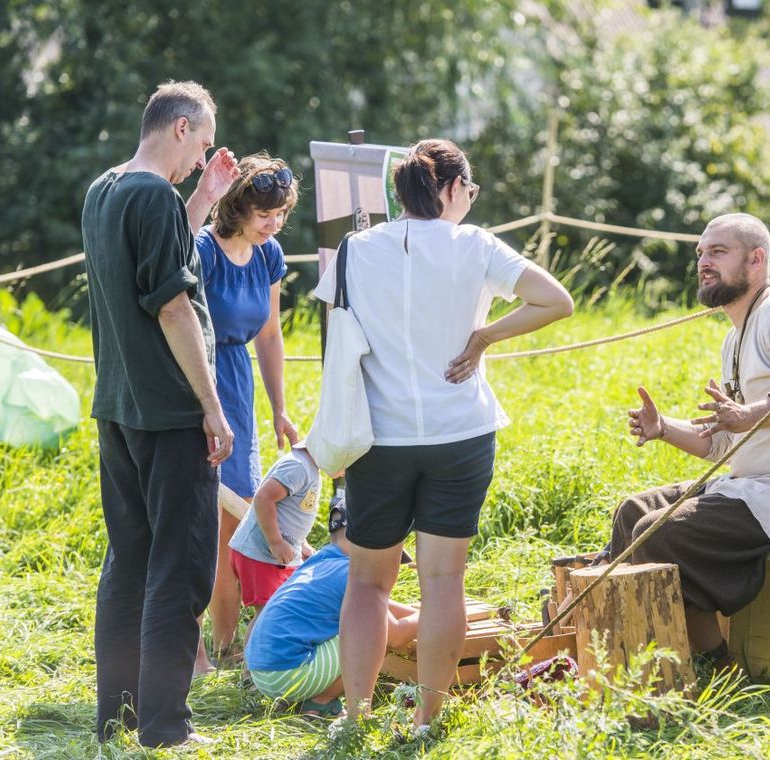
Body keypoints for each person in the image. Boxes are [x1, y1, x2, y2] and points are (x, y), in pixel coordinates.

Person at [312, 138, 574, 727]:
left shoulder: (354, 249)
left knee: (369, 582)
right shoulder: (476, 245)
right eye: (471, 190)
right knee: (443, 579)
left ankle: (354, 716)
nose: (471, 200)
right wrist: (484, 337)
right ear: (452, 189)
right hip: (461, 432)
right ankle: (427, 718)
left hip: (377, 437)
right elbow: (556, 301)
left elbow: (337, 336)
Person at [609, 212, 770, 662]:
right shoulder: (735, 337)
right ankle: (638, 652)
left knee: (656, 531)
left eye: (719, 251)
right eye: (701, 252)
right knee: (634, 512)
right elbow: (723, 443)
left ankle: (714, 663)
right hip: (751, 489)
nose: (704, 261)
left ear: (756, 259)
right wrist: (664, 428)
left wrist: (752, 413)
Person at [80, 80, 240, 748]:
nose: (200, 162)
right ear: (180, 128)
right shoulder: (153, 195)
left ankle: (116, 716)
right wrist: (212, 407)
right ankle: (166, 728)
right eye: (200, 147)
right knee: (180, 570)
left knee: (131, 563)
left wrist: (201, 203)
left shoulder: (108, 189)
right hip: (171, 413)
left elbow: (159, 264)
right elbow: (173, 306)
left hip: (120, 409)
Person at [192, 154, 301, 668]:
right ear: (239, 207)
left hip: (239, 388)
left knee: (236, 526)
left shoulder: (269, 255)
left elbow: (270, 333)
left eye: (281, 214)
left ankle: (229, 647)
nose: (274, 224)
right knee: (206, 523)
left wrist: (279, 408)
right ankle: (198, 647)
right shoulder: (204, 253)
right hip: (199, 386)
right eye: (265, 214)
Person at [245, 499, 419, 717]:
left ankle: (308, 695)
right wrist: (431, 616)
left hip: (264, 673)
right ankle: (320, 700)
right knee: (374, 634)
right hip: (287, 674)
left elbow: (378, 604)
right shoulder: (350, 572)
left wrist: (416, 613)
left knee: (366, 620)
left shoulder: (322, 562)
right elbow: (394, 635)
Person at [227, 440, 322, 620]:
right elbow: (263, 498)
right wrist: (275, 542)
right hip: (261, 554)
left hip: (278, 557)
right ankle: (254, 649)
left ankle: (270, 647)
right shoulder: (298, 467)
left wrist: (303, 544)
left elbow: (291, 511)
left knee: (281, 612)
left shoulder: (310, 468)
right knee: (267, 614)